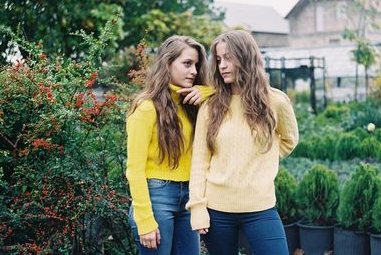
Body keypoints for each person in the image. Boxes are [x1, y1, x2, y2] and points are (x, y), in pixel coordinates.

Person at [186, 30, 299, 255]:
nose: (222, 65)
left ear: (246, 57)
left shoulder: (275, 101)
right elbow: (199, 160)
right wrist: (197, 207)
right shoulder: (210, 106)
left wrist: (260, 159)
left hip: (261, 208)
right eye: (218, 60)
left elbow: (289, 140)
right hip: (217, 211)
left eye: (229, 57)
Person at [126, 35, 214, 255]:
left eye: (196, 65)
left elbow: (228, 95)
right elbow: (134, 170)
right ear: (167, 63)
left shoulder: (192, 105)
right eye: (187, 64)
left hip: (189, 198)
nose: (194, 71)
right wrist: (145, 220)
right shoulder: (146, 108)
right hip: (157, 198)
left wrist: (206, 91)